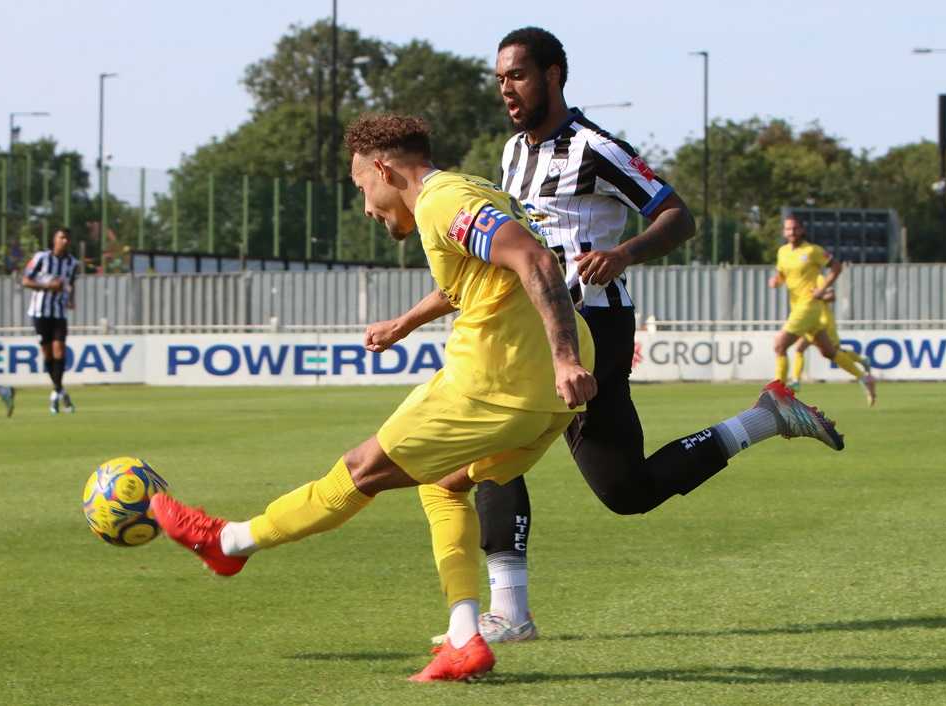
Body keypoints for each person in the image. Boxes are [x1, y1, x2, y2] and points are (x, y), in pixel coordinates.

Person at [363, 27, 846, 648]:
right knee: (627, 491)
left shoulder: (597, 148)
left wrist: (623, 252)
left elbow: (678, 215)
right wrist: (407, 321)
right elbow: (499, 260)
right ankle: (764, 418)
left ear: (554, 75)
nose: (507, 89)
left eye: (519, 76)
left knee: (488, 445)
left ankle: (509, 614)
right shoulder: (512, 154)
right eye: (501, 79)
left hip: (592, 323)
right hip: (540, 324)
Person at [151, 112, 599, 682]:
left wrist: (564, 358)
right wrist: (406, 323)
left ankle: (229, 541)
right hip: (548, 398)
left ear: (385, 170)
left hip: (499, 379)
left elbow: (535, 262)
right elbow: (473, 277)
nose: (366, 206)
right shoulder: (475, 191)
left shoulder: (441, 201)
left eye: (363, 186)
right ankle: (464, 638)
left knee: (360, 470)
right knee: (445, 485)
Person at [770, 216, 875, 406]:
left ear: (802, 230)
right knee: (829, 352)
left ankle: (778, 395)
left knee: (779, 345)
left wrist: (822, 288)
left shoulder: (812, 251)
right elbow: (781, 274)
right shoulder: (782, 252)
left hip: (808, 306)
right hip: (801, 308)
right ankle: (863, 377)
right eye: (788, 229)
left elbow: (836, 266)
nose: (791, 232)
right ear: (784, 232)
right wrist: (776, 281)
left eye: (795, 228)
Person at [22, 227, 79, 413]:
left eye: (67, 238)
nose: (64, 241)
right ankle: (60, 391)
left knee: (60, 351)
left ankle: (56, 392)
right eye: (61, 237)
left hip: (59, 313)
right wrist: (48, 286)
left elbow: (70, 283)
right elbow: (25, 281)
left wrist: (70, 297)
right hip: (40, 313)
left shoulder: (72, 263)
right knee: (47, 354)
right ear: (54, 240)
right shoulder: (41, 258)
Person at [789, 274, 871, 393]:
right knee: (800, 348)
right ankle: (796, 381)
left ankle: (862, 366)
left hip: (825, 322)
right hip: (812, 321)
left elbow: (831, 296)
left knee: (835, 352)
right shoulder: (802, 280)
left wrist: (817, 296)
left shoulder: (819, 278)